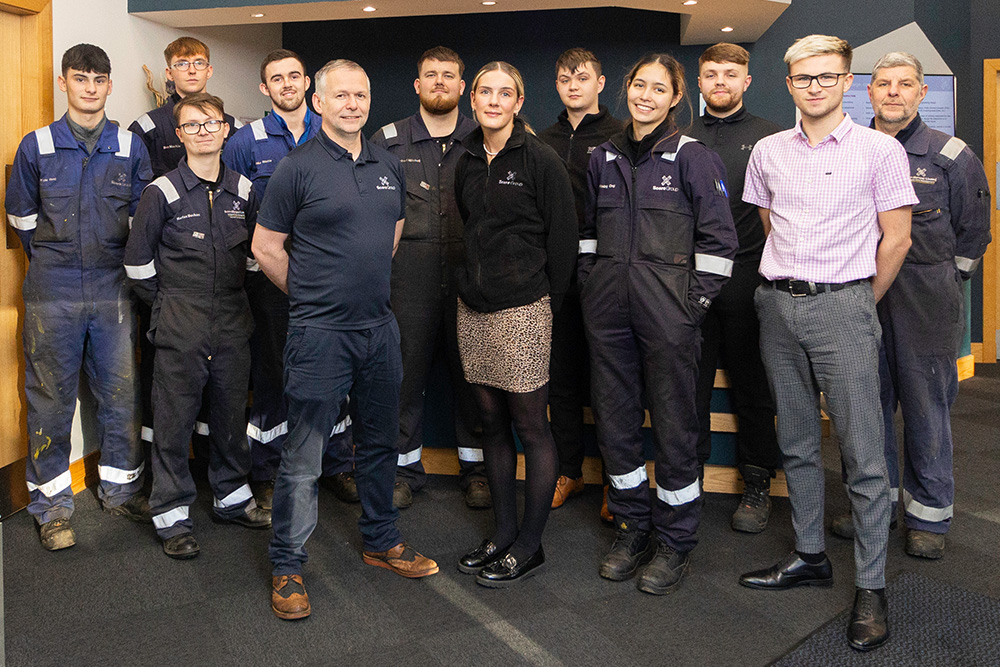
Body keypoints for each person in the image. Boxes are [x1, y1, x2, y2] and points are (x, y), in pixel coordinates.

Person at [738, 35, 917, 652]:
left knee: (864, 453)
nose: (814, 86)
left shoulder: (880, 150)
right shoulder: (767, 151)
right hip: (777, 305)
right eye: (803, 78)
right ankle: (809, 553)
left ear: (846, 81)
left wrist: (856, 303)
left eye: (827, 77)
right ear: (788, 84)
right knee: (797, 440)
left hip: (845, 304)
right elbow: (770, 225)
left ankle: (871, 587)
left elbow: (895, 239)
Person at [254, 60, 439, 621]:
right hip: (319, 334)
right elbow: (266, 247)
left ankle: (382, 540)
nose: (353, 104)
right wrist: (312, 295)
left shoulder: (386, 163)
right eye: (341, 96)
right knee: (305, 458)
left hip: (378, 330)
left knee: (381, 442)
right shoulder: (297, 168)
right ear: (319, 102)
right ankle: (287, 565)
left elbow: (393, 230)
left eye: (361, 94)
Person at [580, 54, 737, 595]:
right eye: (638, 84)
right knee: (616, 425)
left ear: (675, 98)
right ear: (625, 88)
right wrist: (592, 285)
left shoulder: (694, 159)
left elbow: (719, 246)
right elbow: (585, 237)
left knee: (675, 429)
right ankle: (631, 527)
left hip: (669, 320)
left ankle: (675, 541)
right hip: (609, 317)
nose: (645, 95)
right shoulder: (602, 158)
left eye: (658, 88)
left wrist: (688, 307)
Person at [827, 52, 991, 559]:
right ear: (867, 93)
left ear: (922, 93)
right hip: (862, 299)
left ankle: (928, 517)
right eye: (883, 84)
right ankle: (875, 508)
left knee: (926, 409)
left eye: (905, 84)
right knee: (865, 412)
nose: (893, 92)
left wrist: (943, 283)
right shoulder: (848, 150)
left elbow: (974, 235)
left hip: (925, 305)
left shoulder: (951, 155)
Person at [5, 44, 152, 551]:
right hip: (53, 292)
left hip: (115, 290)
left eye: (99, 79)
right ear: (63, 83)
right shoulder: (37, 146)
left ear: (109, 86)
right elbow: (22, 220)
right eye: (80, 78)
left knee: (120, 393)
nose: (90, 87)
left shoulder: (131, 147)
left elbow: (142, 221)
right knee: (49, 401)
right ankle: (51, 506)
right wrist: (56, 258)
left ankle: (120, 489)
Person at [125, 93, 271, 560]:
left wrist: (226, 303)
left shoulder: (245, 190)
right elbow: (137, 265)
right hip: (179, 323)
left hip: (231, 320)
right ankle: (171, 515)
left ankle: (231, 497)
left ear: (226, 128)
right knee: (173, 422)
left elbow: (254, 257)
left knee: (230, 416)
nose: (204, 131)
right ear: (180, 135)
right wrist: (169, 305)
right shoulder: (161, 193)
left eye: (211, 123)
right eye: (193, 125)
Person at [453, 61, 577, 588]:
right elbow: (470, 226)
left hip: (523, 309)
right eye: (486, 92)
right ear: (473, 99)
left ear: (519, 102)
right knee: (491, 425)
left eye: (506, 93)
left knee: (531, 427)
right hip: (472, 309)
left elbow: (563, 239)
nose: (495, 100)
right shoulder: (464, 159)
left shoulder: (540, 159)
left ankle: (530, 544)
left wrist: (546, 299)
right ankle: (502, 533)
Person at [223, 49, 355, 511]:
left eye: (295, 76)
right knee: (275, 373)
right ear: (265, 88)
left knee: (335, 371)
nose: (287, 84)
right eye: (276, 79)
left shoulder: (334, 130)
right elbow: (234, 211)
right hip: (270, 278)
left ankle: (338, 464)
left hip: (329, 276)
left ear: (309, 86)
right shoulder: (245, 141)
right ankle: (270, 470)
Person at [370, 46, 487, 510]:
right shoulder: (386, 140)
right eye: (430, 75)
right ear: (417, 85)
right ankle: (402, 470)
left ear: (463, 87)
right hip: (407, 277)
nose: (440, 82)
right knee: (403, 377)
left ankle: (477, 470)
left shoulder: (487, 136)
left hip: (470, 275)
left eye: (449, 75)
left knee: (473, 378)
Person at [128, 37, 242, 458]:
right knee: (167, 392)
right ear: (169, 73)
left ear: (210, 70)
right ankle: (160, 482)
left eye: (199, 62)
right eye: (182, 63)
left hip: (224, 294)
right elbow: (139, 203)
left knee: (224, 393)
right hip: (172, 286)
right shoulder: (147, 127)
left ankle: (217, 476)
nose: (191, 69)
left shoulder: (231, 125)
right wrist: (165, 302)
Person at [687, 43, 782, 533]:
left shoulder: (771, 137)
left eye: (730, 73)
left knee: (753, 385)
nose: (719, 81)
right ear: (698, 82)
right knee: (688, 386)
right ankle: (687, 484)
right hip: (691, 280)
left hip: (749, 276)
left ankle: (758, 481)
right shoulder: (678, 136)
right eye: (710, 74)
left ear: (747, 81)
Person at [537, 48, 622, 517]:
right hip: (556, 280)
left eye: (583, 77)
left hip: (607, 278)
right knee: (562, 382)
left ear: (600, 82)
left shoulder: (619, 137)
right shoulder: (542, 140)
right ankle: (569, 471)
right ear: (557, 85)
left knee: (608, 383)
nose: (574, 85)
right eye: (566, 78)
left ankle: (617, 481)